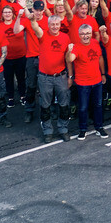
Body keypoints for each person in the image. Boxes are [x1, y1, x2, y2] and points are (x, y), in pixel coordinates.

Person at [29, 14, 72, 143]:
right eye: (52, 24)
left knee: (64, 105)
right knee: (45, 105)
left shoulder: (65, 37)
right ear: (48, 25)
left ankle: (63, 129)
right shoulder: (43, 35)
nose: (54, 26)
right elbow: (36, 28)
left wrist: (70, 76)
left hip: (61, 76)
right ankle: (47, 131)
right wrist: (32, 20)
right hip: (45, 78)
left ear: (60, 25)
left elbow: (68, 59)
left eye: (57, 24)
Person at [70, 23, 106, 139]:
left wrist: (103, 74)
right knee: (83, 107)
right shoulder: (76, 46)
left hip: (97, 81)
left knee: (98, 105)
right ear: (79, 35)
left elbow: (100, 58)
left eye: (87, 33)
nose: (85, 36)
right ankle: (83, 129)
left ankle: (99, 127)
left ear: (91, 34)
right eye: (82, 34)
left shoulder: (95, 43)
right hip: (83, 82)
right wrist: (69, 51)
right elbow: (70, 59)